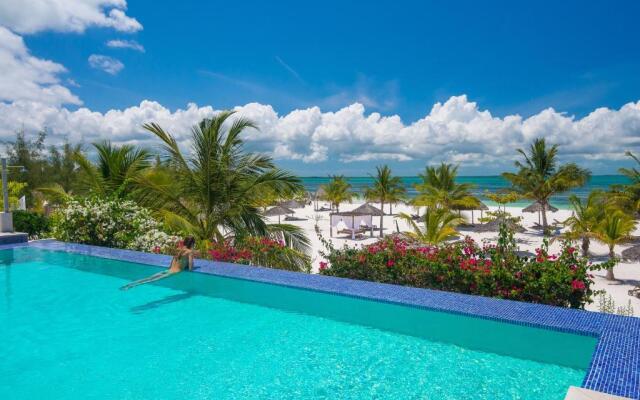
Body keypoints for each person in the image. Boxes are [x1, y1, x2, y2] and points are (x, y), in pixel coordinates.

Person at [120, 236, 197, 290]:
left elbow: (173, 261)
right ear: (192, 244)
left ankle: (130, 284)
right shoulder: (189, 252)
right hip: (173, 272)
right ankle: (132, 286)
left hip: (168, 270)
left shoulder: (178, 249)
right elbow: (190, 268)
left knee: (148, 278)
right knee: (151, 280)